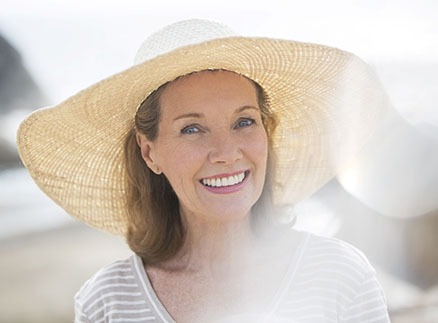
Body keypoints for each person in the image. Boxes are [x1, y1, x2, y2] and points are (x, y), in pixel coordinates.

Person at [17, 19, 391, 322]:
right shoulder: (108, 302)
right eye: (192, 129)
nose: (227, 153)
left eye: (244, 122)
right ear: (149, 153)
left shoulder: (340, 275)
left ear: (267, 132)